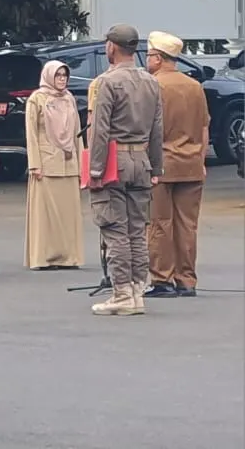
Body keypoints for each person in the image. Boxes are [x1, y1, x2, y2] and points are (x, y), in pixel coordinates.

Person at [87, 24, 164, 316]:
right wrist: (156, 166)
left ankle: (121, 294)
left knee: (115, 229)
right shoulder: (151, 82)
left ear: (112, 47)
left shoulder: (108, 82)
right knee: (137, 230)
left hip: (114, 161)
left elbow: (99, 130)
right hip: (142, 159)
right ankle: (136, 290)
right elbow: (158, 128)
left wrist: (95, 170)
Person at [145, 30, 208, 298]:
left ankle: (162, 279)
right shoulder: (195, 86)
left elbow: (147, 128)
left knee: (159, 223)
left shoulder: (153, 85)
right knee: (187, 225)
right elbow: (205, 126)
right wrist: (201, 159)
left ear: (158, 58)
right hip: (192, 164)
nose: (146, 61)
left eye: (148, 56)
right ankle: (187, 280)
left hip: (162, 165)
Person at [23, 60, 83, 270]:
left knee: (68, 213)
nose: (61, 79)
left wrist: (81, 165)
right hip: (46, 162)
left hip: (68, 162)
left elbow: (77, 132)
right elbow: (31, 134)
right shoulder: (36, 99)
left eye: (64, 75)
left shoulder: (69, 99)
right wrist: (35, 165)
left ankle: (68, 256)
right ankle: (44, 257)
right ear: (48, 76)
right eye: (58, 75)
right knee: (46, 213)